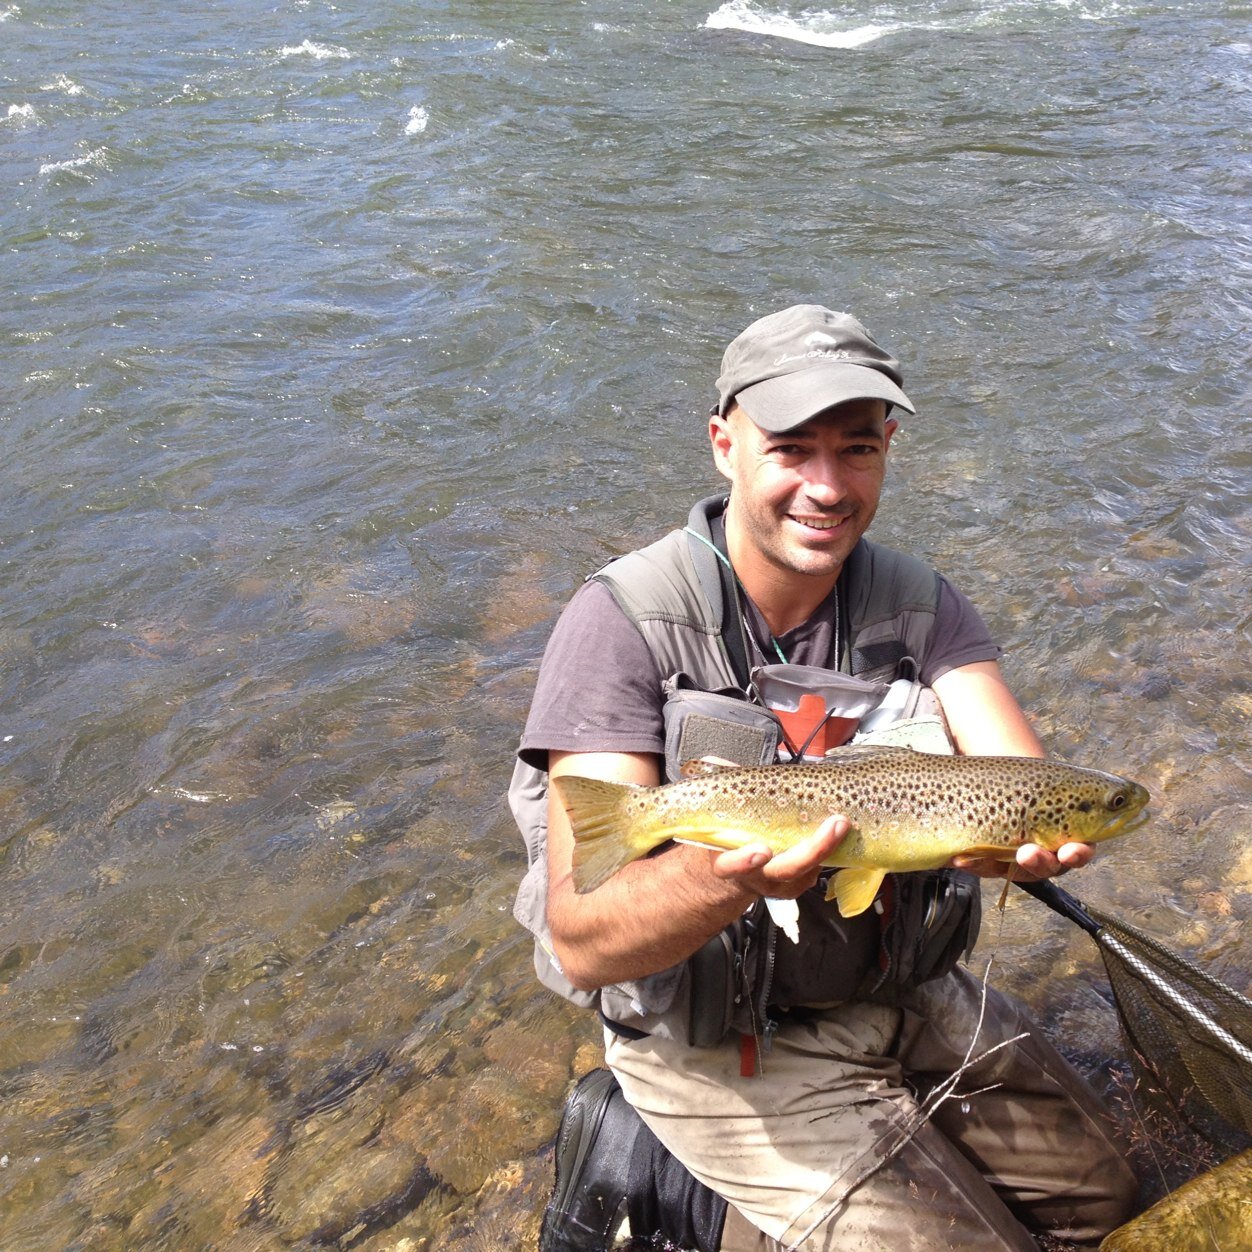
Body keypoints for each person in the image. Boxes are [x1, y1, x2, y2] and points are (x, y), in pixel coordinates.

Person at [511, 305, 1138, 1250]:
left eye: (856, 450)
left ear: (889, 450)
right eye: (791, 449)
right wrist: (726, 877)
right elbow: (583, 942)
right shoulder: (623, 621)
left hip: (896, 991)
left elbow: (1024, 778)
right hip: (719, 1042)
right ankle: (702, 1202)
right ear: (724, 444)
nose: (827, 485)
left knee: (1110, 1204)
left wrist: (1022, 848)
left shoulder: (924, 604)